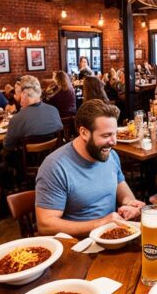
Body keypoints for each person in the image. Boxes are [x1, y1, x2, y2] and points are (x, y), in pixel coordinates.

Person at [35, 100, 145, 236]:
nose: (114, 142)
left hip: (113, 235)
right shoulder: (55, 167)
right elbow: (45, 225)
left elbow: (120, 185)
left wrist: (129, 202)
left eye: (114, 134)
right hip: (78, 245)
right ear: (84, 133)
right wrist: (99, 223)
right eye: (106, 135)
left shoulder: (110, 155)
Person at [2, 75, 63, 152]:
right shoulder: (54, 110)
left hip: (26, 161)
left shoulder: (17, 119)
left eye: (16, 92)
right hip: (52, 158)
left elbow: (8, 145)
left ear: (24, 94)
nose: (15, 96)